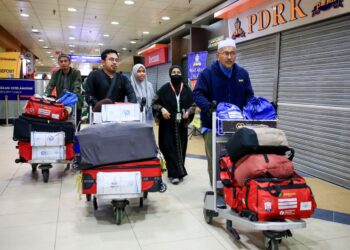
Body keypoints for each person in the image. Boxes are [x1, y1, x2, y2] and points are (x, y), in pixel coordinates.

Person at [193, 38, 254, 205]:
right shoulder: (207, 73)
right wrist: (209, 107)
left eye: (232, 53)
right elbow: (197, 94)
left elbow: (249, 96)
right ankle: (218, 192)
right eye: (226, 53)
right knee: (215, 160)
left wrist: (252, 109)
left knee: (237, 159)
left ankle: (235, 189)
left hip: (236, 127)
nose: (229, 57)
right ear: (218, 55)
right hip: (212, 126)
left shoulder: (242, 74)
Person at [152, 65, 196, 184]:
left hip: (181, 125)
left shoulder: (186, 89)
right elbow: (154, 102)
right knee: (167, 148)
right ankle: (173, 173)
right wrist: (162, 109)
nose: (176, 74)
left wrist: (188, 112)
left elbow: (194, 104)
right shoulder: (164, 89)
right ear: (170, 74)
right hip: (167, 125)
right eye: (173, 72)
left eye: (178, 72)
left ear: (181, 74)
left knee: (180, 148)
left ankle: (178, 172)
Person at [44, 54, 83, 126]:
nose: (63, 63)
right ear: (58, 63)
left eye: (65, 61)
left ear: (69, 62)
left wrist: (71, 98)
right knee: (62, 123)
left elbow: (77, 86)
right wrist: (45, 96)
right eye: (61, 61)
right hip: (61, 102)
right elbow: (50, 86)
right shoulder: (56, 73)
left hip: (74, 101)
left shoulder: (76, 72)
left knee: (75, 124)